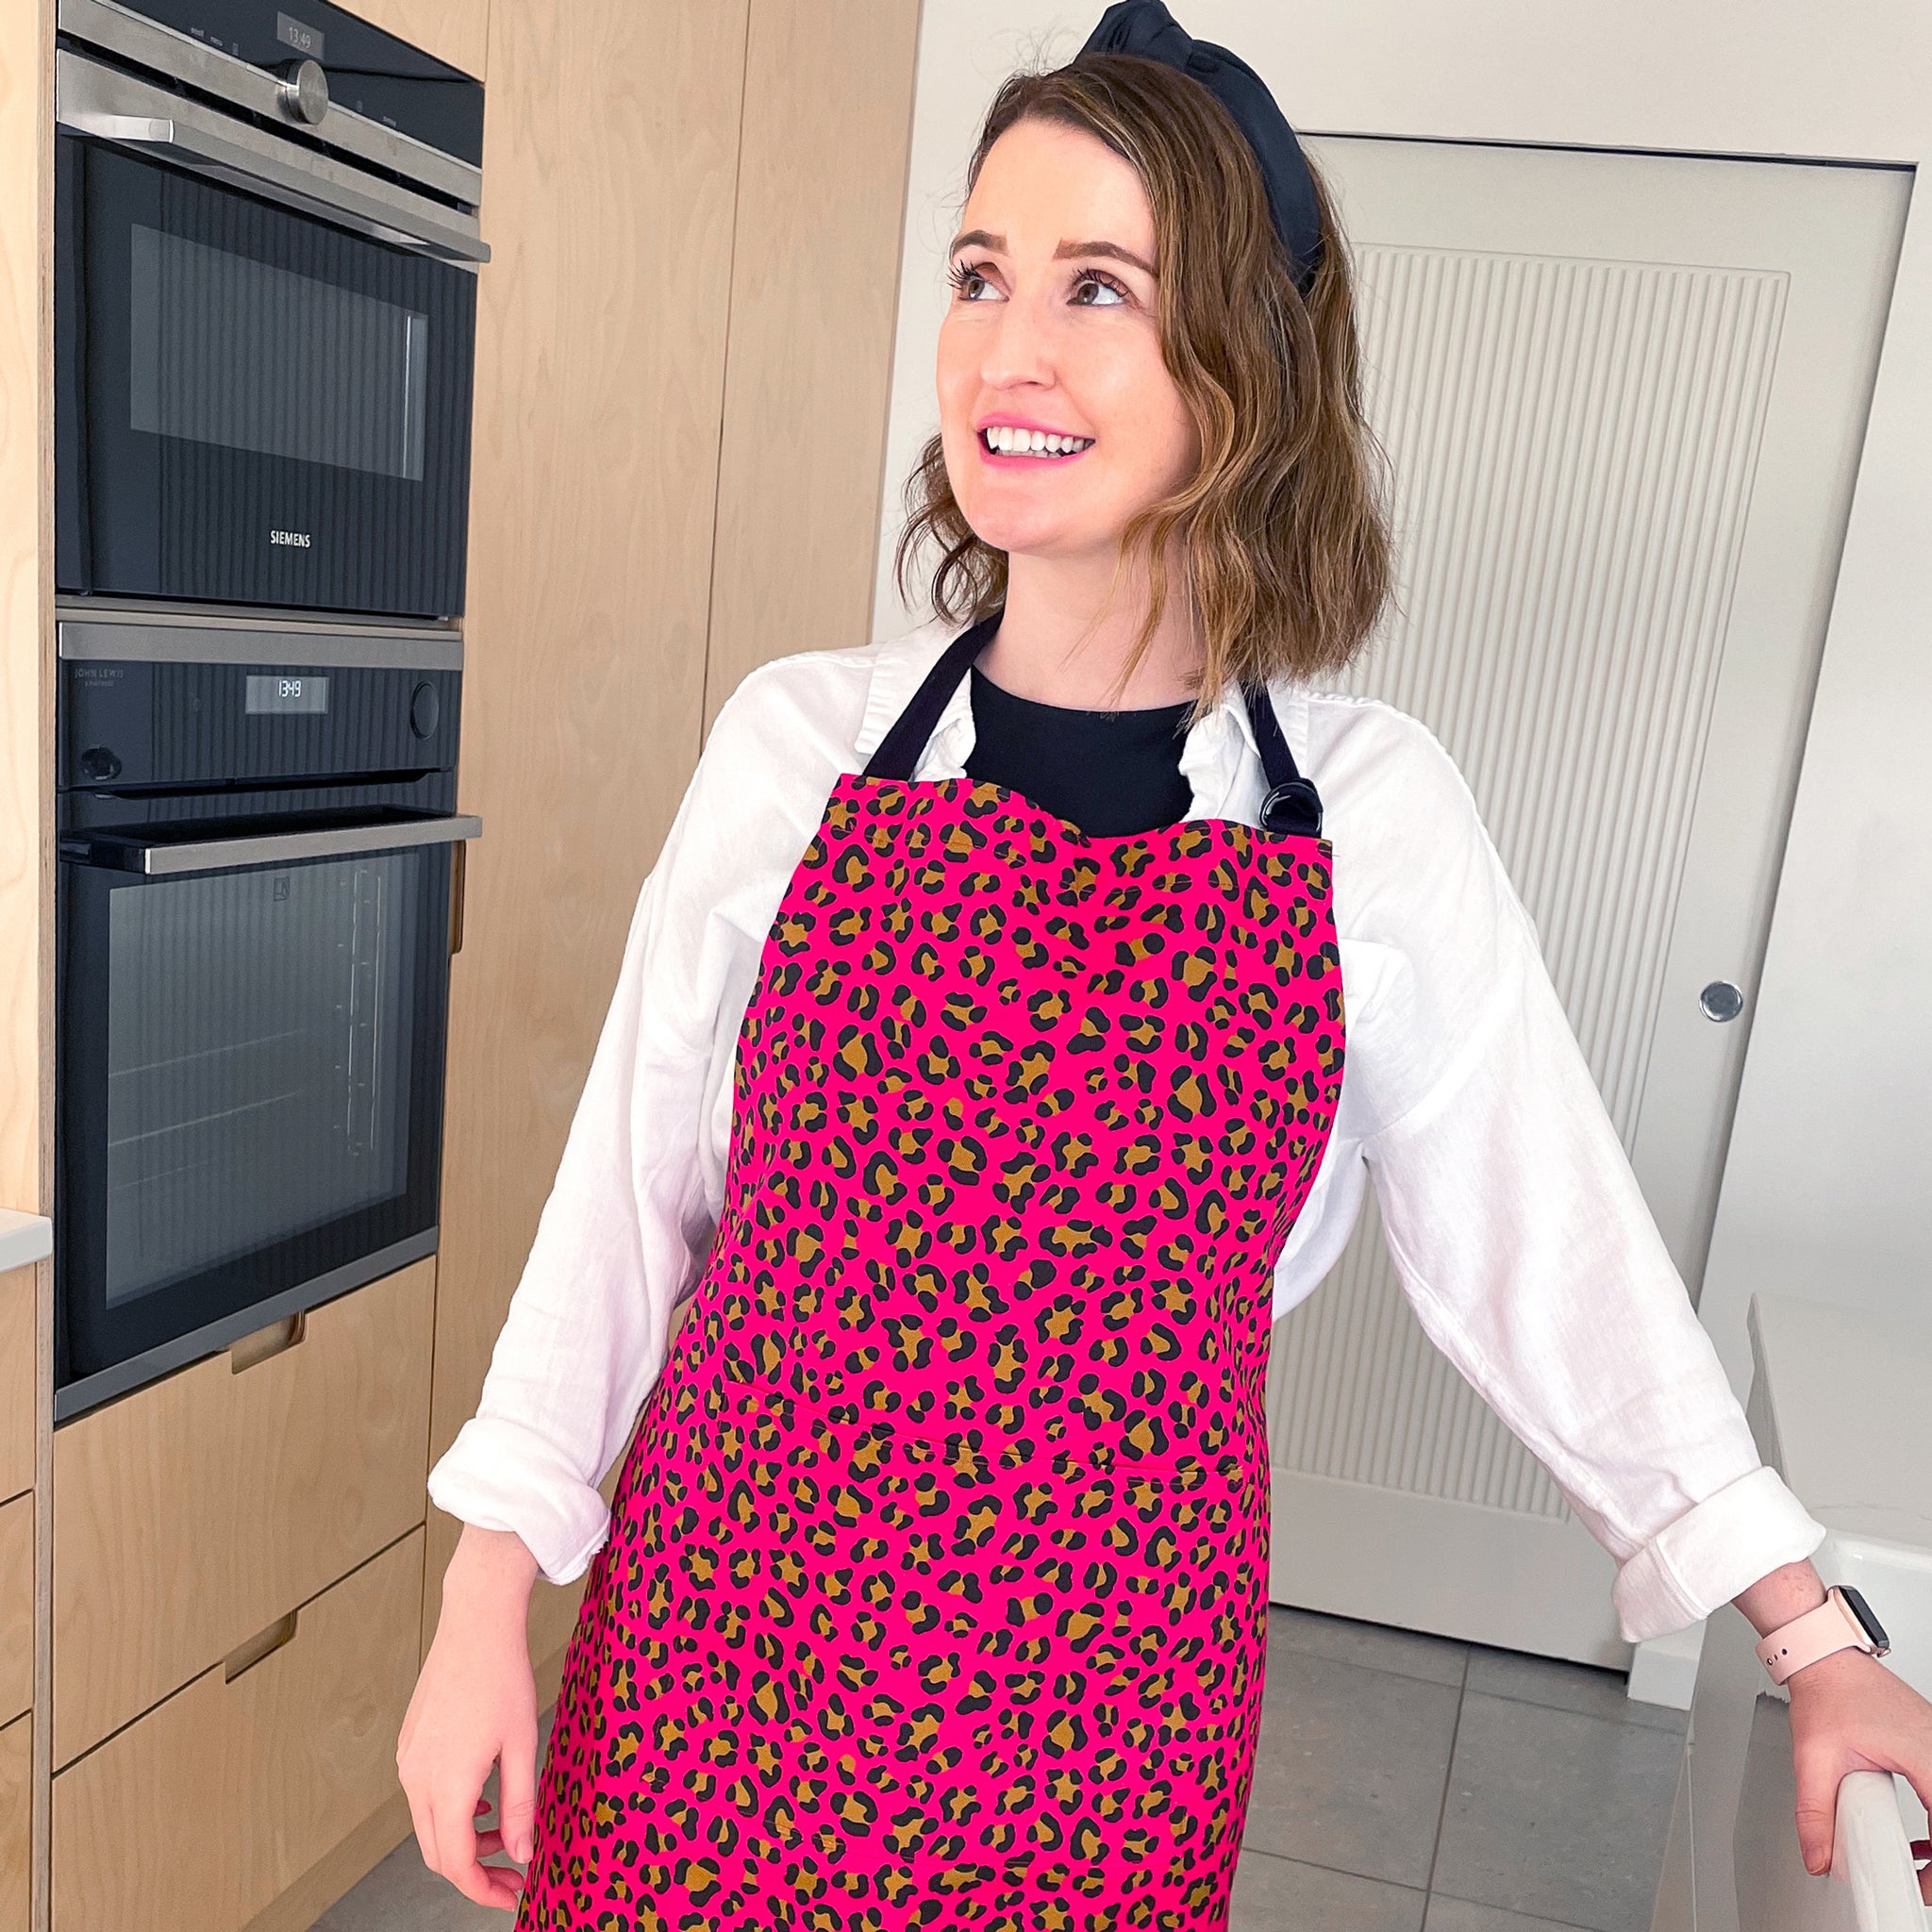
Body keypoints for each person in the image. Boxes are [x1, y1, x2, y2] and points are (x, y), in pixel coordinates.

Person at [398, 5, 1932, 1923]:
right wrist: (485, 1593)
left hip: (1103, 1696)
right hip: (722, 1641)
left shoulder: (1366, 816)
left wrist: (1811, 1631)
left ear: (1247, 370)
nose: (1006, 350)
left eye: (1099, 288)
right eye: (980, 273)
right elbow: (625, 1206)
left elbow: (1555, 1254)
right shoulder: (796, 746)